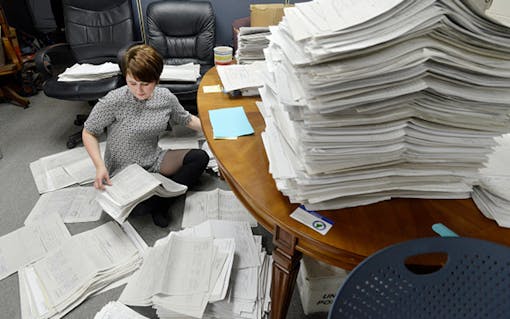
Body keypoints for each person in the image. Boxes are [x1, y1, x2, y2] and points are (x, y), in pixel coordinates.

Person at [82, 44, 209, 227]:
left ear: (156, 80)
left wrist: (215, 130)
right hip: (123, 169)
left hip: (153, 159)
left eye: (145, 84)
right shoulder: (114, 100)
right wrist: (99, 166)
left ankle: (161, 201)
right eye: (132, 83)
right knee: (137, 210)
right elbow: (88, 132)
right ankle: (163, 198)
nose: (139, 90)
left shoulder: (165, 98)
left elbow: (187, 119)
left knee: (199, 158)